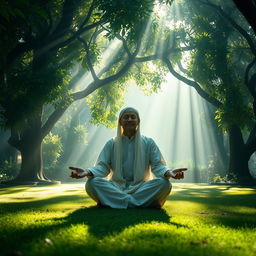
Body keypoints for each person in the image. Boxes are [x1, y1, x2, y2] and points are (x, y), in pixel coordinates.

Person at [69, 107, 187, 209]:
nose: (129, 119)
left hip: (141, 186)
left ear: (138, 121)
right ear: (120, 122)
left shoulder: (148, 142)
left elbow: (157, 165)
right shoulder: (112, 143)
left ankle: (116, 202)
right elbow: (103, 167)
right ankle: (138, 203)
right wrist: (87, 172)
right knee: (92, 183)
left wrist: (169, 172)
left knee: (164, 184)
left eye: (132, 117)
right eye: (126, 117)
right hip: (116, 186)